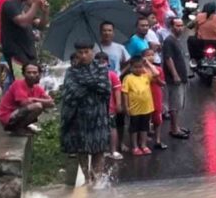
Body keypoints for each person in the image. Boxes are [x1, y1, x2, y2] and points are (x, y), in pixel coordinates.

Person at [60, 42, 112, 183]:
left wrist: (85, 83)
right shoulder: (71, 71)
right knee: (82, 148)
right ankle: (86, 177)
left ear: (92, 52)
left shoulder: (102, 68)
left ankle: (97, 179)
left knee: (99, 148)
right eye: (80, 52)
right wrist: (92, 84)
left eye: (86, 52)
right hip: (80, 115)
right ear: (76, 54)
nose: (83, 55)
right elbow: (70, 93)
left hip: (98, 114)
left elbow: (105, 88)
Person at [1, 0, 50, 79]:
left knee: (32, 83)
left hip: (29, 51)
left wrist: (45, 13)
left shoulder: (25, 7)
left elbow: (41, 25)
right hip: (16, 52)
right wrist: (35, 5)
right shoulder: (9, 5)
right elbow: (22, 22)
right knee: (22, 83)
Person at [0, 62, 53, 135]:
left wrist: (34, 99)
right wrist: (43, 102)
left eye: (34, 72)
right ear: (23, 74)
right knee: (38, 106)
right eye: (28, 72)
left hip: (17, 115)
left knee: (39, 105)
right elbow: (24, 103)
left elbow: (52, 103)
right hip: (7, 117)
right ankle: (17, 128)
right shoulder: (18, 84)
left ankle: (21, 127)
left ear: (39, 74)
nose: (31, 75)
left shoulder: (37, 88)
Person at [122, 57, 162, 156]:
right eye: (136, 67)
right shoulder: (128, 78)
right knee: (134, 128)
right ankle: (135, 146)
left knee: (145, 127)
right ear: (131, 68)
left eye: (140, 67)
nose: (138, 69)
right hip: (134, 108)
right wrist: (126, 106)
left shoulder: (145, 76)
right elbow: (125, 93)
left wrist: (147, 64)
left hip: (147, 107)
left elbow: (156, 73)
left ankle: (143, 145)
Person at [163, 18, 191, 140]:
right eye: (177, 25)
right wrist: (175, 75)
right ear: (172, 27)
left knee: (179, 104)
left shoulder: (176, 40)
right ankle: (174, 129)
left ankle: (176, 126)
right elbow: (168, 59)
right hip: (175, 78)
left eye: (181, 25)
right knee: (174, 104)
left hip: (181, 77)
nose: (180, 28)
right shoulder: (169, 41)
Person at [95, 52, 124, 160]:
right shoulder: (92, 75)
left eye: (103, 61)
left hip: (110, 107)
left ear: (107, 63)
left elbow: (117, 90)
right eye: (98, 62)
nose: (101, 64)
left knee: (112, 128)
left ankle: (113, 150)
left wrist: (119, 104)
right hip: (95, 108)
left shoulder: (112, 75)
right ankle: (100, 150)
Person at [189, 2, 216, 75]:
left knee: (190, 39)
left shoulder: (199, 16)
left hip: (201, 43)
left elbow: (189, 25)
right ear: (214, 10)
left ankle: (193, 59)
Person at [140, 48, 167, 150]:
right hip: (144, 97)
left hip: (156, 95)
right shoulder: (140, 69)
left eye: (152, 55)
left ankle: (158, 139)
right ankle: (143, 139)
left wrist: (157, 80)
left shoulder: (158, 69)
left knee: (157, 118)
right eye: (148, 55)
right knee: (145, 118)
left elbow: (163, 83)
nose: (150, 57)